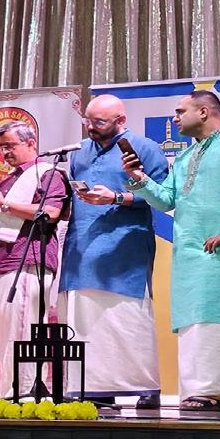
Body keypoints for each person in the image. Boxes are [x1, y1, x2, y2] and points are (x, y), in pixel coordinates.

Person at [123, 90, 220, 411]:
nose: (175, 118)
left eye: (180, 111)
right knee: (193, 323)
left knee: (216, 318)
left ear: (203, 112)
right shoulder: (186, 156)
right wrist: (138, 178)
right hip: (189, 253)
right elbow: (166, 200)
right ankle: (200, 391)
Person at [60, 94, 170, 407]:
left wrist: (117, 198)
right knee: (86, 320)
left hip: (125, 246)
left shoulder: (145, 148)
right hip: (82, 245)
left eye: (99, 122)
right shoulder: (79, 151)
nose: (90, 127)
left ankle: (144, 387)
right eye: (87, 121)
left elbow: (164, 196)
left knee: (126, 317)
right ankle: (96, 389)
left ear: (121, 120)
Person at [0, 121, 69, 397]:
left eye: (10, 146)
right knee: (2, 328)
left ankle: (25, 391)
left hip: (29, 260)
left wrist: (1, 203)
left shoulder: (47, 173)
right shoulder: (6, 181)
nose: (5, 153)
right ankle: (8, 391)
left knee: (23, 328)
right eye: (1, 147)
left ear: (31, 143)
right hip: (1, 261)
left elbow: (50, 212)